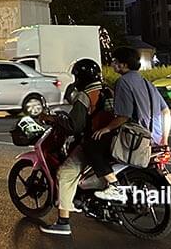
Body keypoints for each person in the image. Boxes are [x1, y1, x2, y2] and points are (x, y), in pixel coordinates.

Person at [40, 58, 115, 236]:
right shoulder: (108, 90)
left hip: (94, 141)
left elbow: (75, 125)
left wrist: (54, 119)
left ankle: (63, 222)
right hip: (113, 139)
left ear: (81, 77)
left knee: (65, 173)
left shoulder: (85, 95)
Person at [87, 46, 171, 203]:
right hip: (155, 138)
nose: (112, 64)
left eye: (114, 61)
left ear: (123, 65)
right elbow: (166, 112)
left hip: (136, 139)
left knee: (92, 145)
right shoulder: (147, 82)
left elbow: (123, 116)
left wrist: (106, 128)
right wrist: (164, 140)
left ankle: (113, 185)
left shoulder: (123, 82)